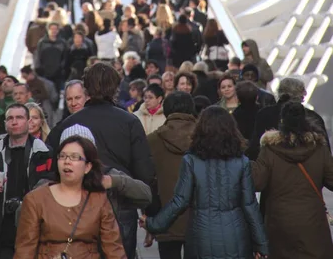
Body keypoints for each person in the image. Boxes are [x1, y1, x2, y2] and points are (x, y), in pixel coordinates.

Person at [47, 63, 155, 259]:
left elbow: (50, 166)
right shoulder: (129, 122)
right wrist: (151, 214)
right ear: (115, 88)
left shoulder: (68, 124)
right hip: (119, 204)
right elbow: (145, 172)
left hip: (77, 205)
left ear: (86, 90)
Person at [141, 106, 269, 259]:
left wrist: (153, 224)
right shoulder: (242, 163)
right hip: (236, 236)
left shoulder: (191, 161)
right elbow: (250, 206)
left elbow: (180, 201)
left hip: (200, 235)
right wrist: (261, 245)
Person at [14, 132, 127, 259]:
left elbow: (113, 248)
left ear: (87, 167)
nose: (67, 161)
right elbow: (25, 249)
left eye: (74, 157)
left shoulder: (98, 199)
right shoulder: (35, 199)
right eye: (62, 156)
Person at [0, 103, 52, 259]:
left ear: (28, 122)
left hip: (37, 230)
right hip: (1, 233)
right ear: (5, 124)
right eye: (10, 118)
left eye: (19, 117)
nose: (14, 122)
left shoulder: (45, 154)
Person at [252, 101, 333, 259]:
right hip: (313, 223)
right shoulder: (319, 148)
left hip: (279, 223)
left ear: (281, 121)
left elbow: (257, 182)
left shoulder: (269, 150)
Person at [146, 92, 197, 259]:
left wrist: (152, 219)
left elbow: (148, 181)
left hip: (165, 217)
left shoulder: (153, 140)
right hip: (199, 220)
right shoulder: (205, 138)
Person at [250, 76, 329, 159]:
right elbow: (325, 151)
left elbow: (255, 147)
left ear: (279, 92)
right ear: (302, 95)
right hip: (306, 167)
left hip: (271, 166)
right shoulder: (313, 117)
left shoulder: (264, 114)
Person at [36, 22, 67, 93]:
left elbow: (65, 58)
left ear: (58, 31)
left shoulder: (62, 43)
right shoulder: (42, 43)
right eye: (52, 29)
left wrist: (62, 69)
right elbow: (37, 56)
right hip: (45, 73)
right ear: (48, 30)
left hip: (58, 74)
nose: (54, 31)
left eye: (55, 29)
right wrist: (39, 69)